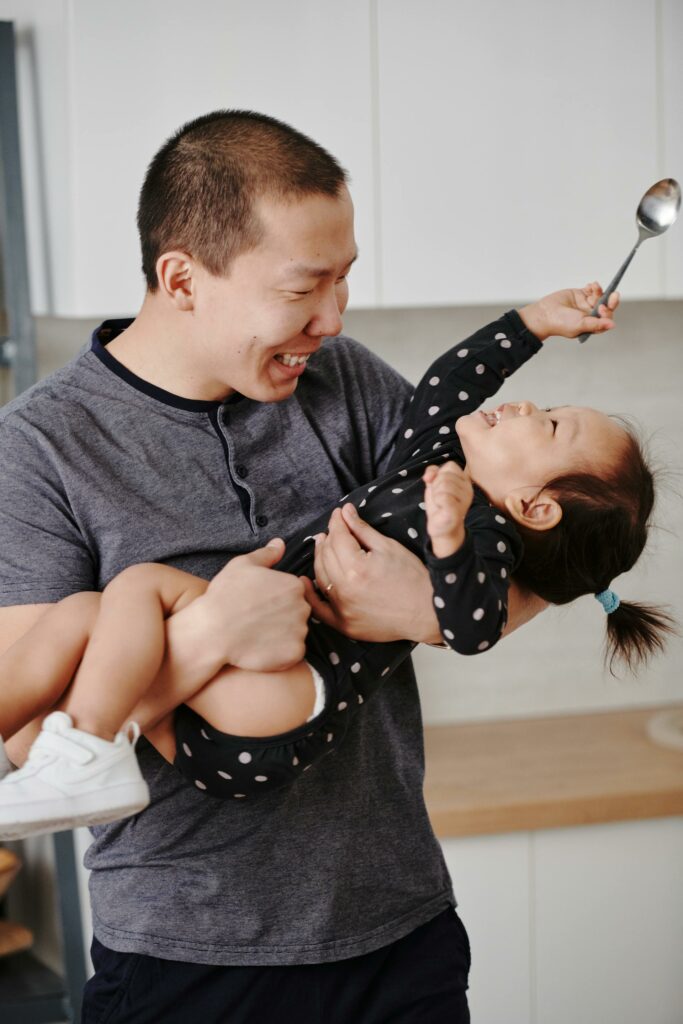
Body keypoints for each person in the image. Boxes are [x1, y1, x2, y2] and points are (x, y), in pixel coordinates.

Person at [0, 109, 634, 1023]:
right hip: (188, 962)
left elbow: (532, 564)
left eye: (344, 281)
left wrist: (415, 606)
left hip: (400, 931)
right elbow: (31, 743)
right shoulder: (40, 451)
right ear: (182, 277)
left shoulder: (344, 381)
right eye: (306, 287)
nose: (332, 320)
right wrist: (216, 631)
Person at [0, 284, 673, 840]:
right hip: (232, 718)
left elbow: (472, 627)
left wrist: (435, 567)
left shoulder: (480, 533)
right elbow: (450, 384)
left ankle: (88, 747)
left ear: (533, 508)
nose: (529, 406)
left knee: (139, 586)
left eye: (551, 425)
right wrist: (527, 325)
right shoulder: (430, 464)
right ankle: (78, 751)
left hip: (286, 697)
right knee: (86, 613)